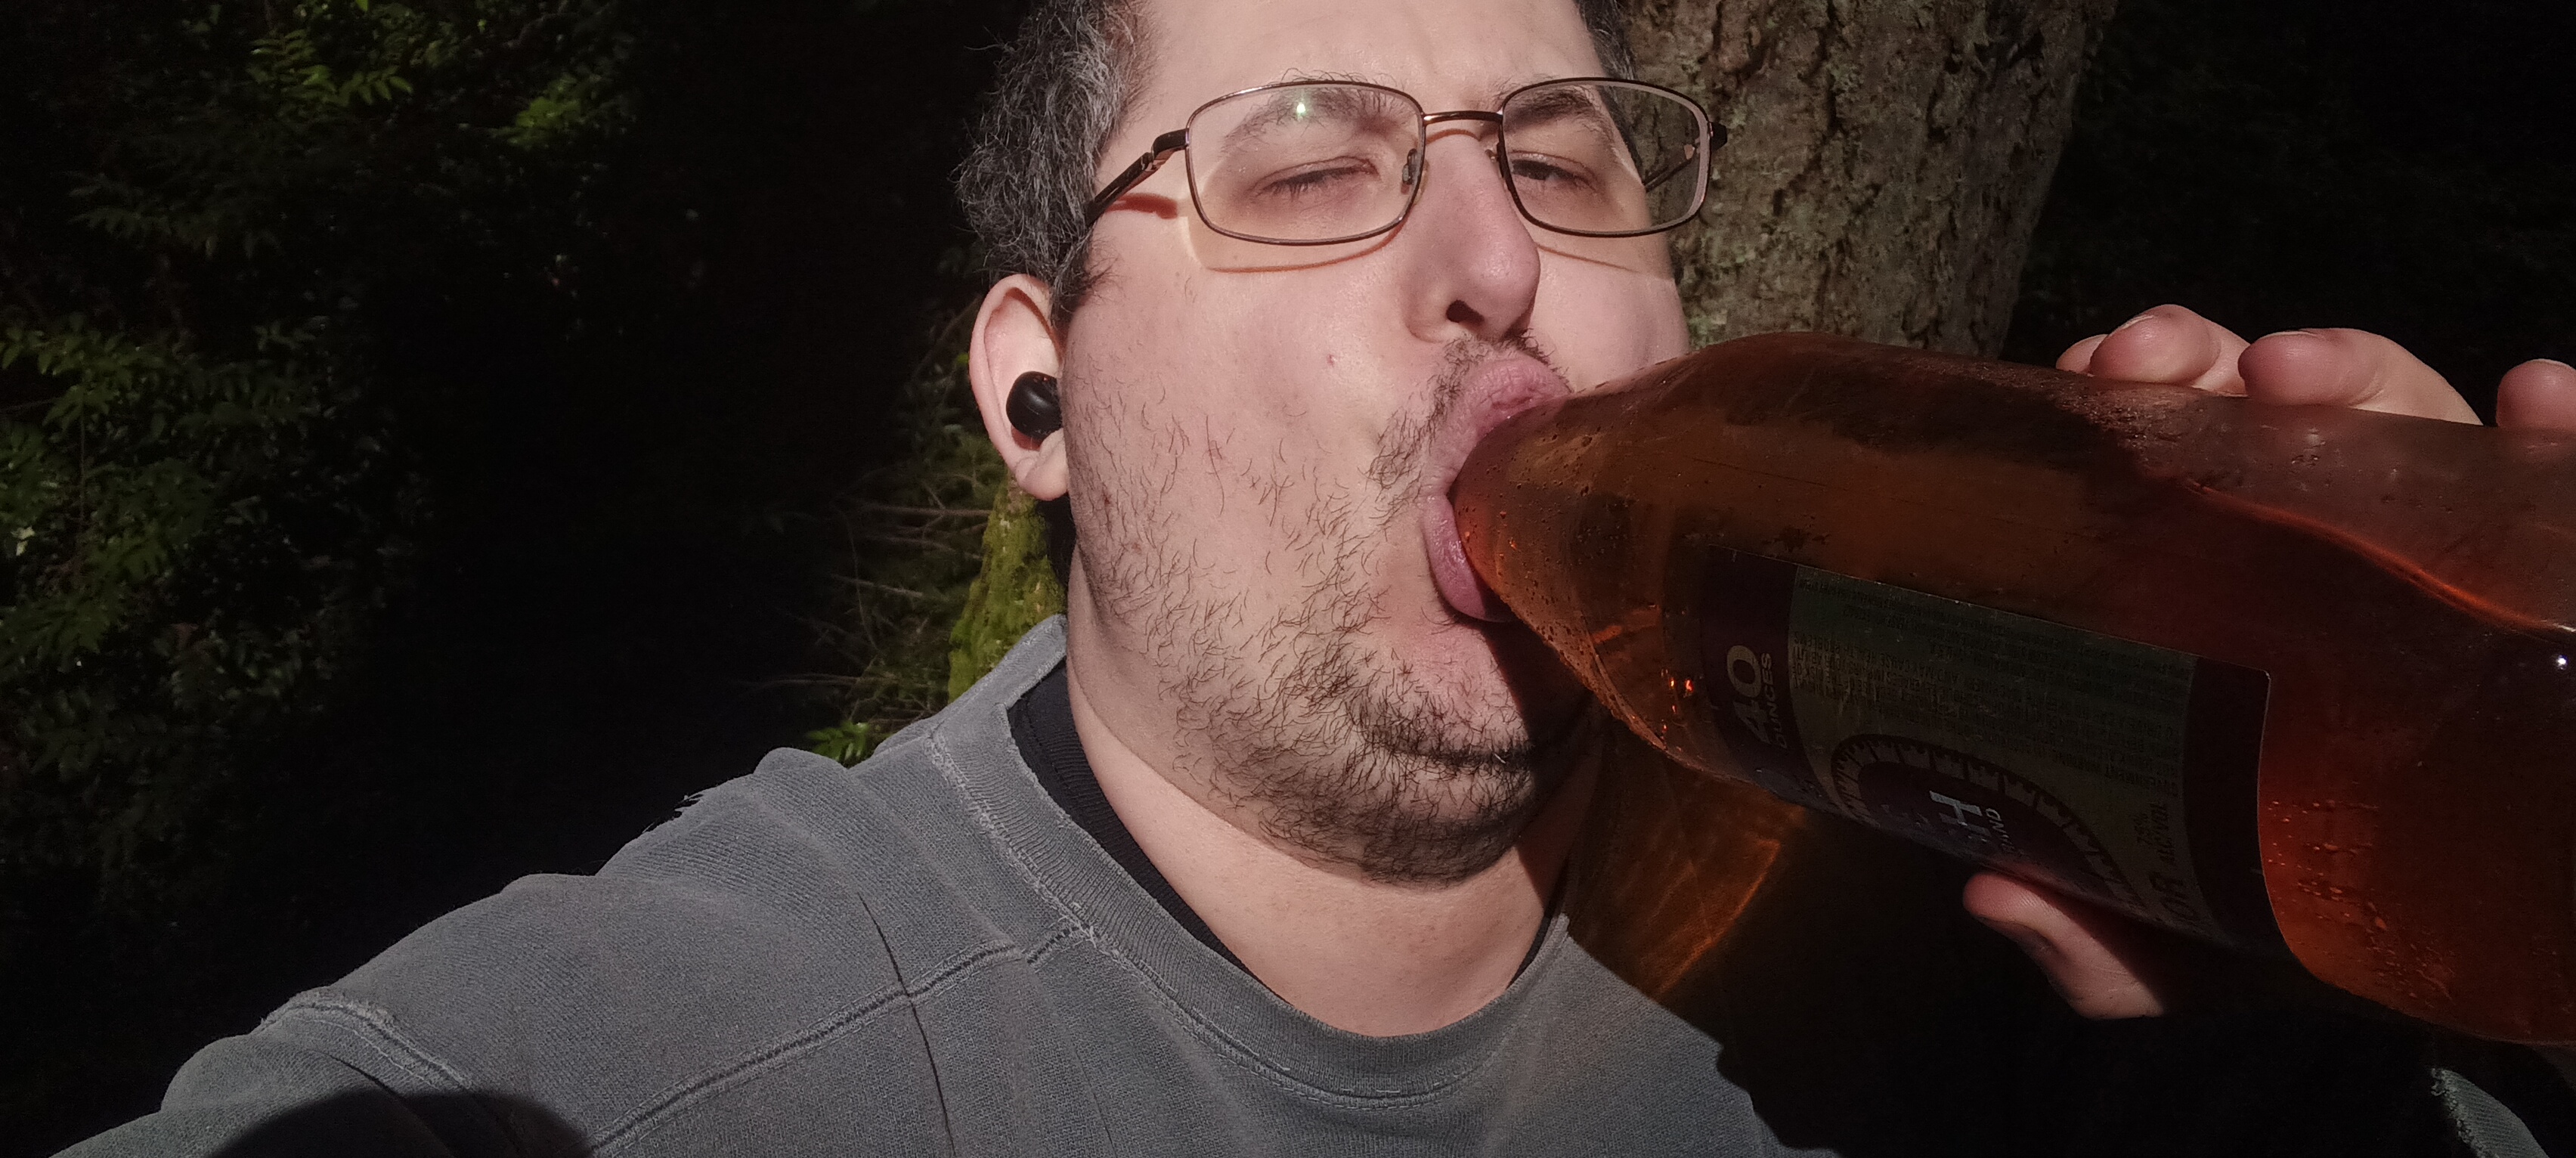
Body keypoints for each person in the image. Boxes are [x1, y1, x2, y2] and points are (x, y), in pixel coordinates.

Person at [63, 0, 2576, 1153]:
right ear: (1037, 394)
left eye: (1563, 158)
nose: (1498, 258)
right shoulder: (725, 1047)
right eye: (1302, 162)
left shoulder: (2006, 904)